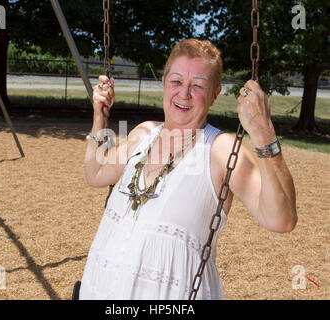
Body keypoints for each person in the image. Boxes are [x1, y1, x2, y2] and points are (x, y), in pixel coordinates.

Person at [79, 39, 297, 300]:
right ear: (163, 82)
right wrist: (100, 115)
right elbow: (96, 172)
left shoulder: (220, 150)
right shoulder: (143, 133)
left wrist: (263, 133)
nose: (184, 93)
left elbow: (281, 219)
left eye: (198, 85)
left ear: (214, 94)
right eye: (177, 81)